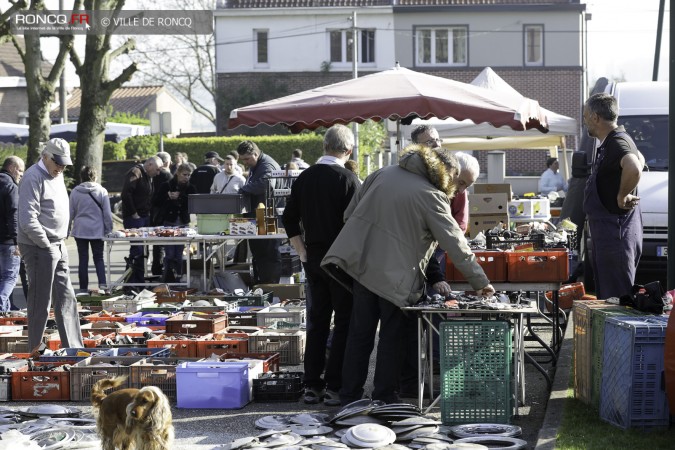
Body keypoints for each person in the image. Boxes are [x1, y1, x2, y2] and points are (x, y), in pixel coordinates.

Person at [322, 144, 495, 405]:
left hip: (362, 267)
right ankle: (383, 398)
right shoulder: (432, 196)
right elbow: (455, 244)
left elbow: (349, 214)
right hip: (396, 277)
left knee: (359, 335)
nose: (459, 190)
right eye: (458, 182)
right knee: (392, 337)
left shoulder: (382, 173)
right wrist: (481, 282)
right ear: (445, 173)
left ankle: (349, 397)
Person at [282, 125, 361, 406]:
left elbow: (289, 218)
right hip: (341, 262)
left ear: (324, 146)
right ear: (348, 150)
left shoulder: (305, 177)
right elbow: (358, 225)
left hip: (313, 259)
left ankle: (312, 384)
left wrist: (302, 251)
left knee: (316, 322)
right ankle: (334, 386)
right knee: (342, 323)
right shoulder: (349, 179)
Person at [17, 138, 84, 353]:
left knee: (67, 298)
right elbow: (27, 220)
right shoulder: (32, 177)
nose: (61, 168)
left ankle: (73, 349)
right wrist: (45, 245)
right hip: (39, 246)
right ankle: (35, 351)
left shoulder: (57, 173)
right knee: (40, 302)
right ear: (45, 157)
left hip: (58, 243)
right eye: (58, 164)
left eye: (64, 164)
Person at [583, 92, 644, 299]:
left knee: (617, 299)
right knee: (609, 297)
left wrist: (623, 194)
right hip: (609, 234)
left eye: (585, 117)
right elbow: (640, 158)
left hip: (615, 234)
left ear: (595, 117)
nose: (585, 123)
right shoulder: (614, 142)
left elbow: (635, 166)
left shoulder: (617, 142)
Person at [237, 140, 282, 284]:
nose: (245, 162)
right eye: (242, 159)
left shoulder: (266, 165)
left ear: (255, 154)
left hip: (267, 216)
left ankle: (270, 287)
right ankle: (261, 285)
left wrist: (245, 189)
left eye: (247, 159)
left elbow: (267, 184)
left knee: (268, 254)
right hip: (260, 215)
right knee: (259, 253)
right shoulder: (257, 164)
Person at [69, 166, 113, 293]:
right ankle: (103, 286)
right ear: (96, 176)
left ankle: (83, 288)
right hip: (97, 230)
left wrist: (67, 229)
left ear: (81, 177)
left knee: (83, 259)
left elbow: (70, 212)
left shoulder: (75, 191)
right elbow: (107, 214)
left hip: (80, 229)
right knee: (99, 258)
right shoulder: (102, 191)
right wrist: (108, 229)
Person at [121, 156, 161, 287]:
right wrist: (134, 213)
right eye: (157, 169)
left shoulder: (148, 176)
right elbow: (126, 193)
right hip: (135, 218)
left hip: (144, 217)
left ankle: (139, 280)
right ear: (149, 165)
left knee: (143, 250)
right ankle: (132, 282)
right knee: (137, 250)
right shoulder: (136, 172)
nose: (158, 172)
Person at [154, 163, 197, 283]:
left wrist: (180, 197)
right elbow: (156, 202)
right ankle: (167, 276)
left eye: (189, 175)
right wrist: (168, 196)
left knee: (179, 253)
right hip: (169, 221)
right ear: (177, 173)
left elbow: (193, 204)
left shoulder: (191, 188)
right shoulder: (166, 185)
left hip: (183, 222)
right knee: (169, 253)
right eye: (184, 174)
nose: (187, 177)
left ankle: (179, 276)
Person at [0, 156, 25, 312]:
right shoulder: (11, 187)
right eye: (21, 171)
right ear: (13, 168)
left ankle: (6, 313)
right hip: (8, 241)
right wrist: (17, 241)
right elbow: (14, 215)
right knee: (9, 277)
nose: (21, 176)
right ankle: (1, 306)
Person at [151, 152, 173, 276]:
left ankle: (155, 270)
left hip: (153, 212)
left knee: (155, 245)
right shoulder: (167, 176)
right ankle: (163, 271)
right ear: (166, 163)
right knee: (164, 245)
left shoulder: (151, 175)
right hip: (164, 213)